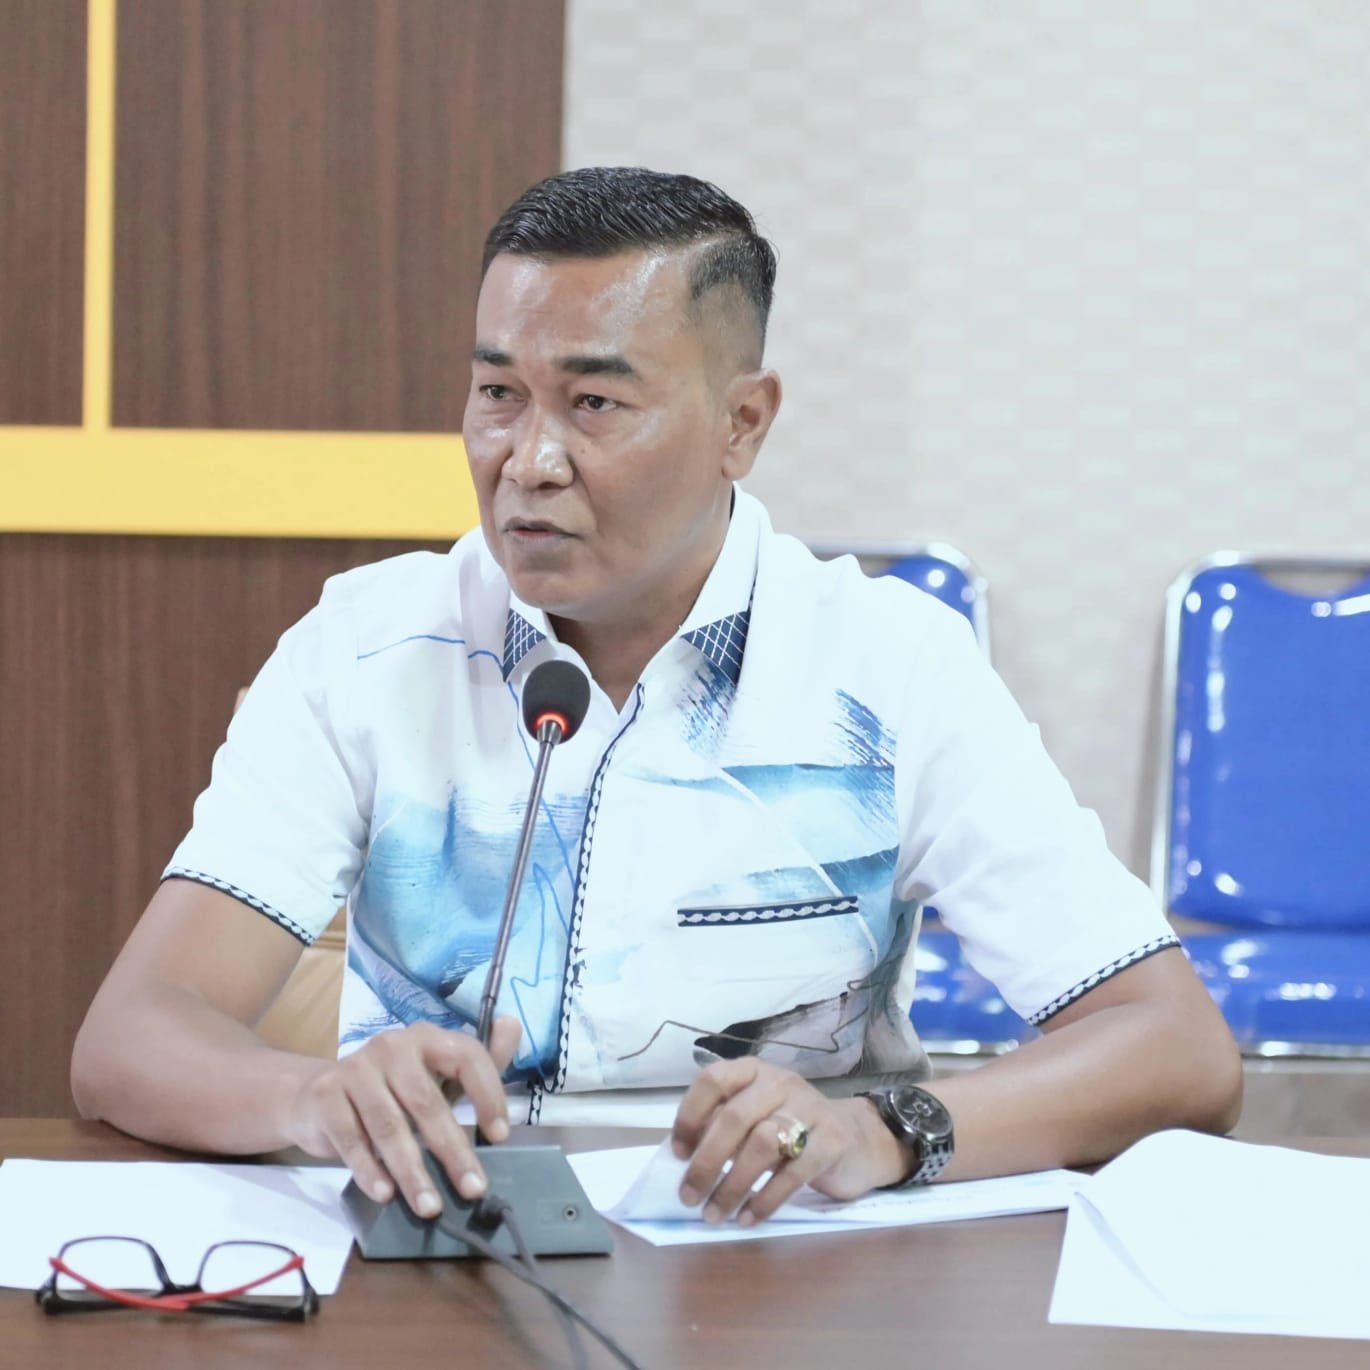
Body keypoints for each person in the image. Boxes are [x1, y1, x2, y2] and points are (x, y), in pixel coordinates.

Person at [72, 167, 1241, 1229]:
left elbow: (1174, 1046)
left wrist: (877, 1131)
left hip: (781, 1258)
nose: (527, 459)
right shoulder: (369, 649)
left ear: (742, 422)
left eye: (593, 404)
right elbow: (131, 1034)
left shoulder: (889, 666)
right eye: (496, 392)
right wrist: (314, 1097)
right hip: (443, 1243)